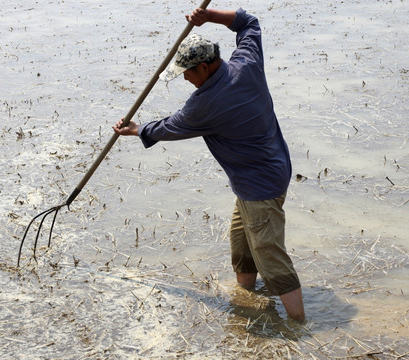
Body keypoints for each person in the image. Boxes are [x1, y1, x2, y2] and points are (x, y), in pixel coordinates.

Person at [113, 7, 306, 322]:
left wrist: (137, 130)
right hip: (268, 171)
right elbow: (248, 22)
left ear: (203, 67)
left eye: (187, 73)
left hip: (260, 187)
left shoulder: (205, 104)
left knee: (270, 256)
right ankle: (246, 297)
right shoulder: (247, 63)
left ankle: (298, 324)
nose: (186, 79)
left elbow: (170, 127)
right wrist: (210, 16)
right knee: (242, 246)